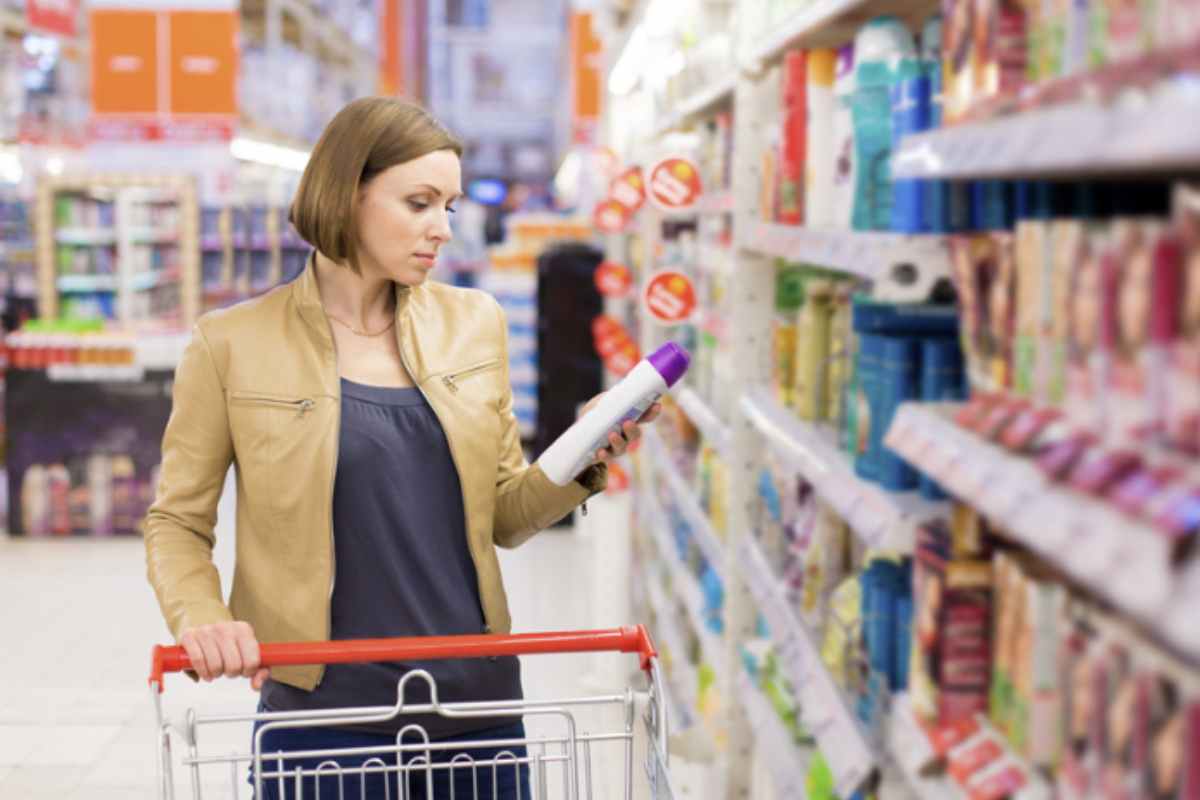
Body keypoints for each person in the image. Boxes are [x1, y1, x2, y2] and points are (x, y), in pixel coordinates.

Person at [144, 97, 659, 799]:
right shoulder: (231, 344)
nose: (442, 229)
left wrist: (585, 451)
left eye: (448, 206)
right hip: (325, 716)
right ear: (347, 194)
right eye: (419, 203)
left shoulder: (474, 323)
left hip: (479, 707)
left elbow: (506, 514)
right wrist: (203, 619)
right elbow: (177, 522)